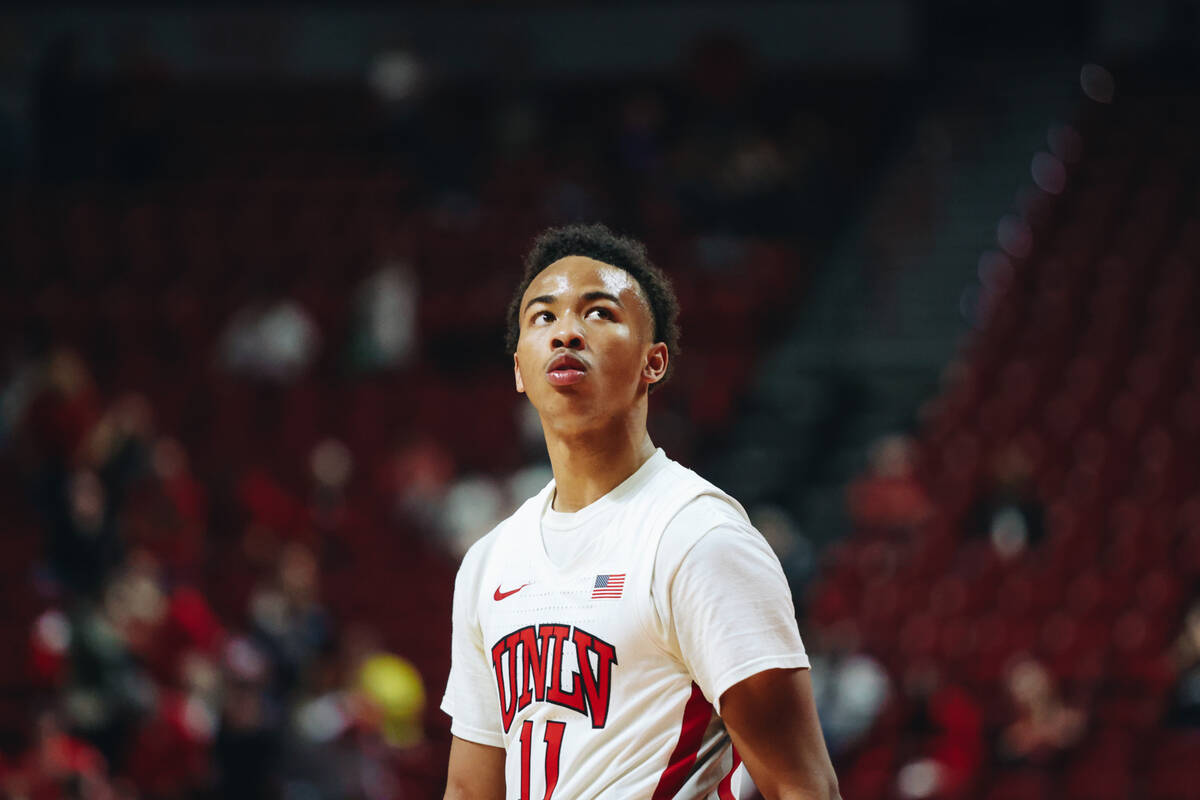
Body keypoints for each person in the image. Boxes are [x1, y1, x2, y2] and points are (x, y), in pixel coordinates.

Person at [441, 223, 839, 799]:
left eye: (599, 313)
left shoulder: (701, 538)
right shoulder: (488, 561)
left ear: (654, 363)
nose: (566, 332)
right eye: (543, 317)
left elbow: (803, 788)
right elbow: (470, 791)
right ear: (519, 371)